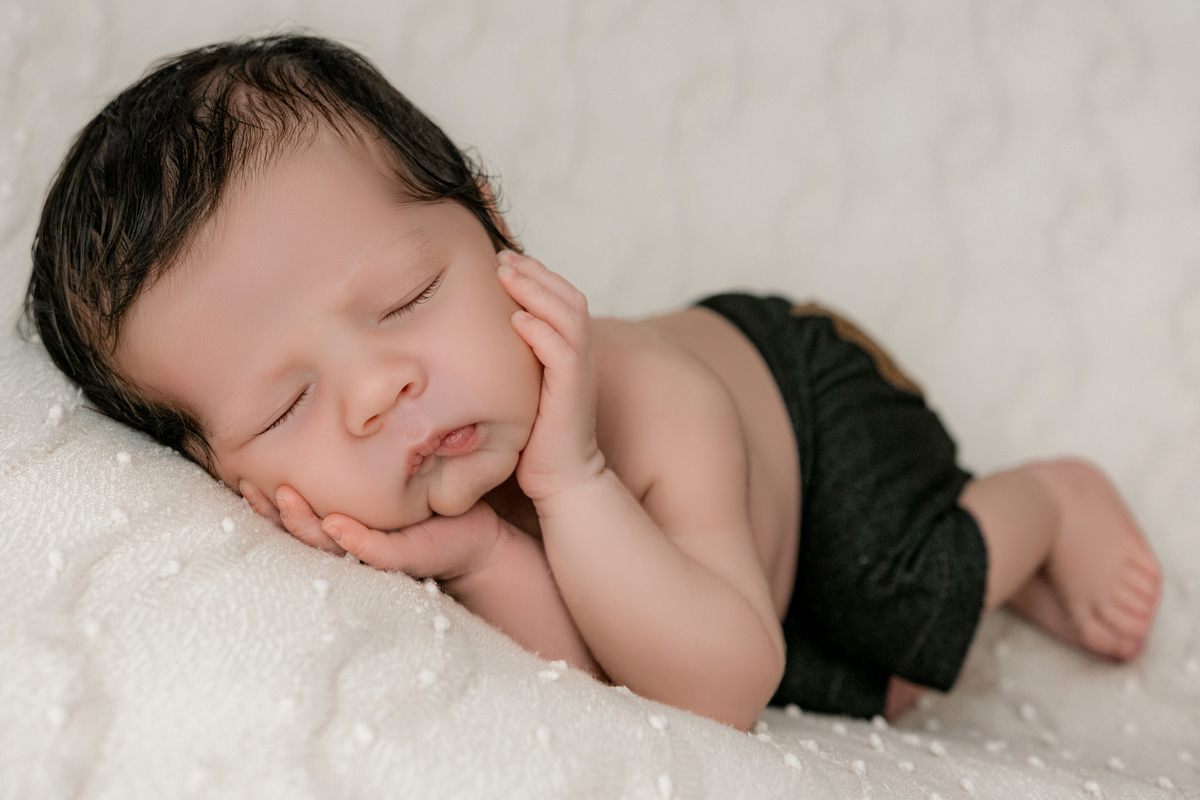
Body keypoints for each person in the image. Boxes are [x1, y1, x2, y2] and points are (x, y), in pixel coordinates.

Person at [22, 34, 1162, 731]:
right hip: (726, 590)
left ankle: (1041, 504)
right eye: (283, 407)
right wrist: (489, 556)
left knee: (897, 596)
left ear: (494, 229)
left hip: (811, 417)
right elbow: (603, 672)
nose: (377, 390)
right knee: (871, 689)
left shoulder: (659, 408)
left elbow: (722, 687)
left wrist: (572, 480)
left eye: (407, 297)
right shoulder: (414, 509)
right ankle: (1001, 588)